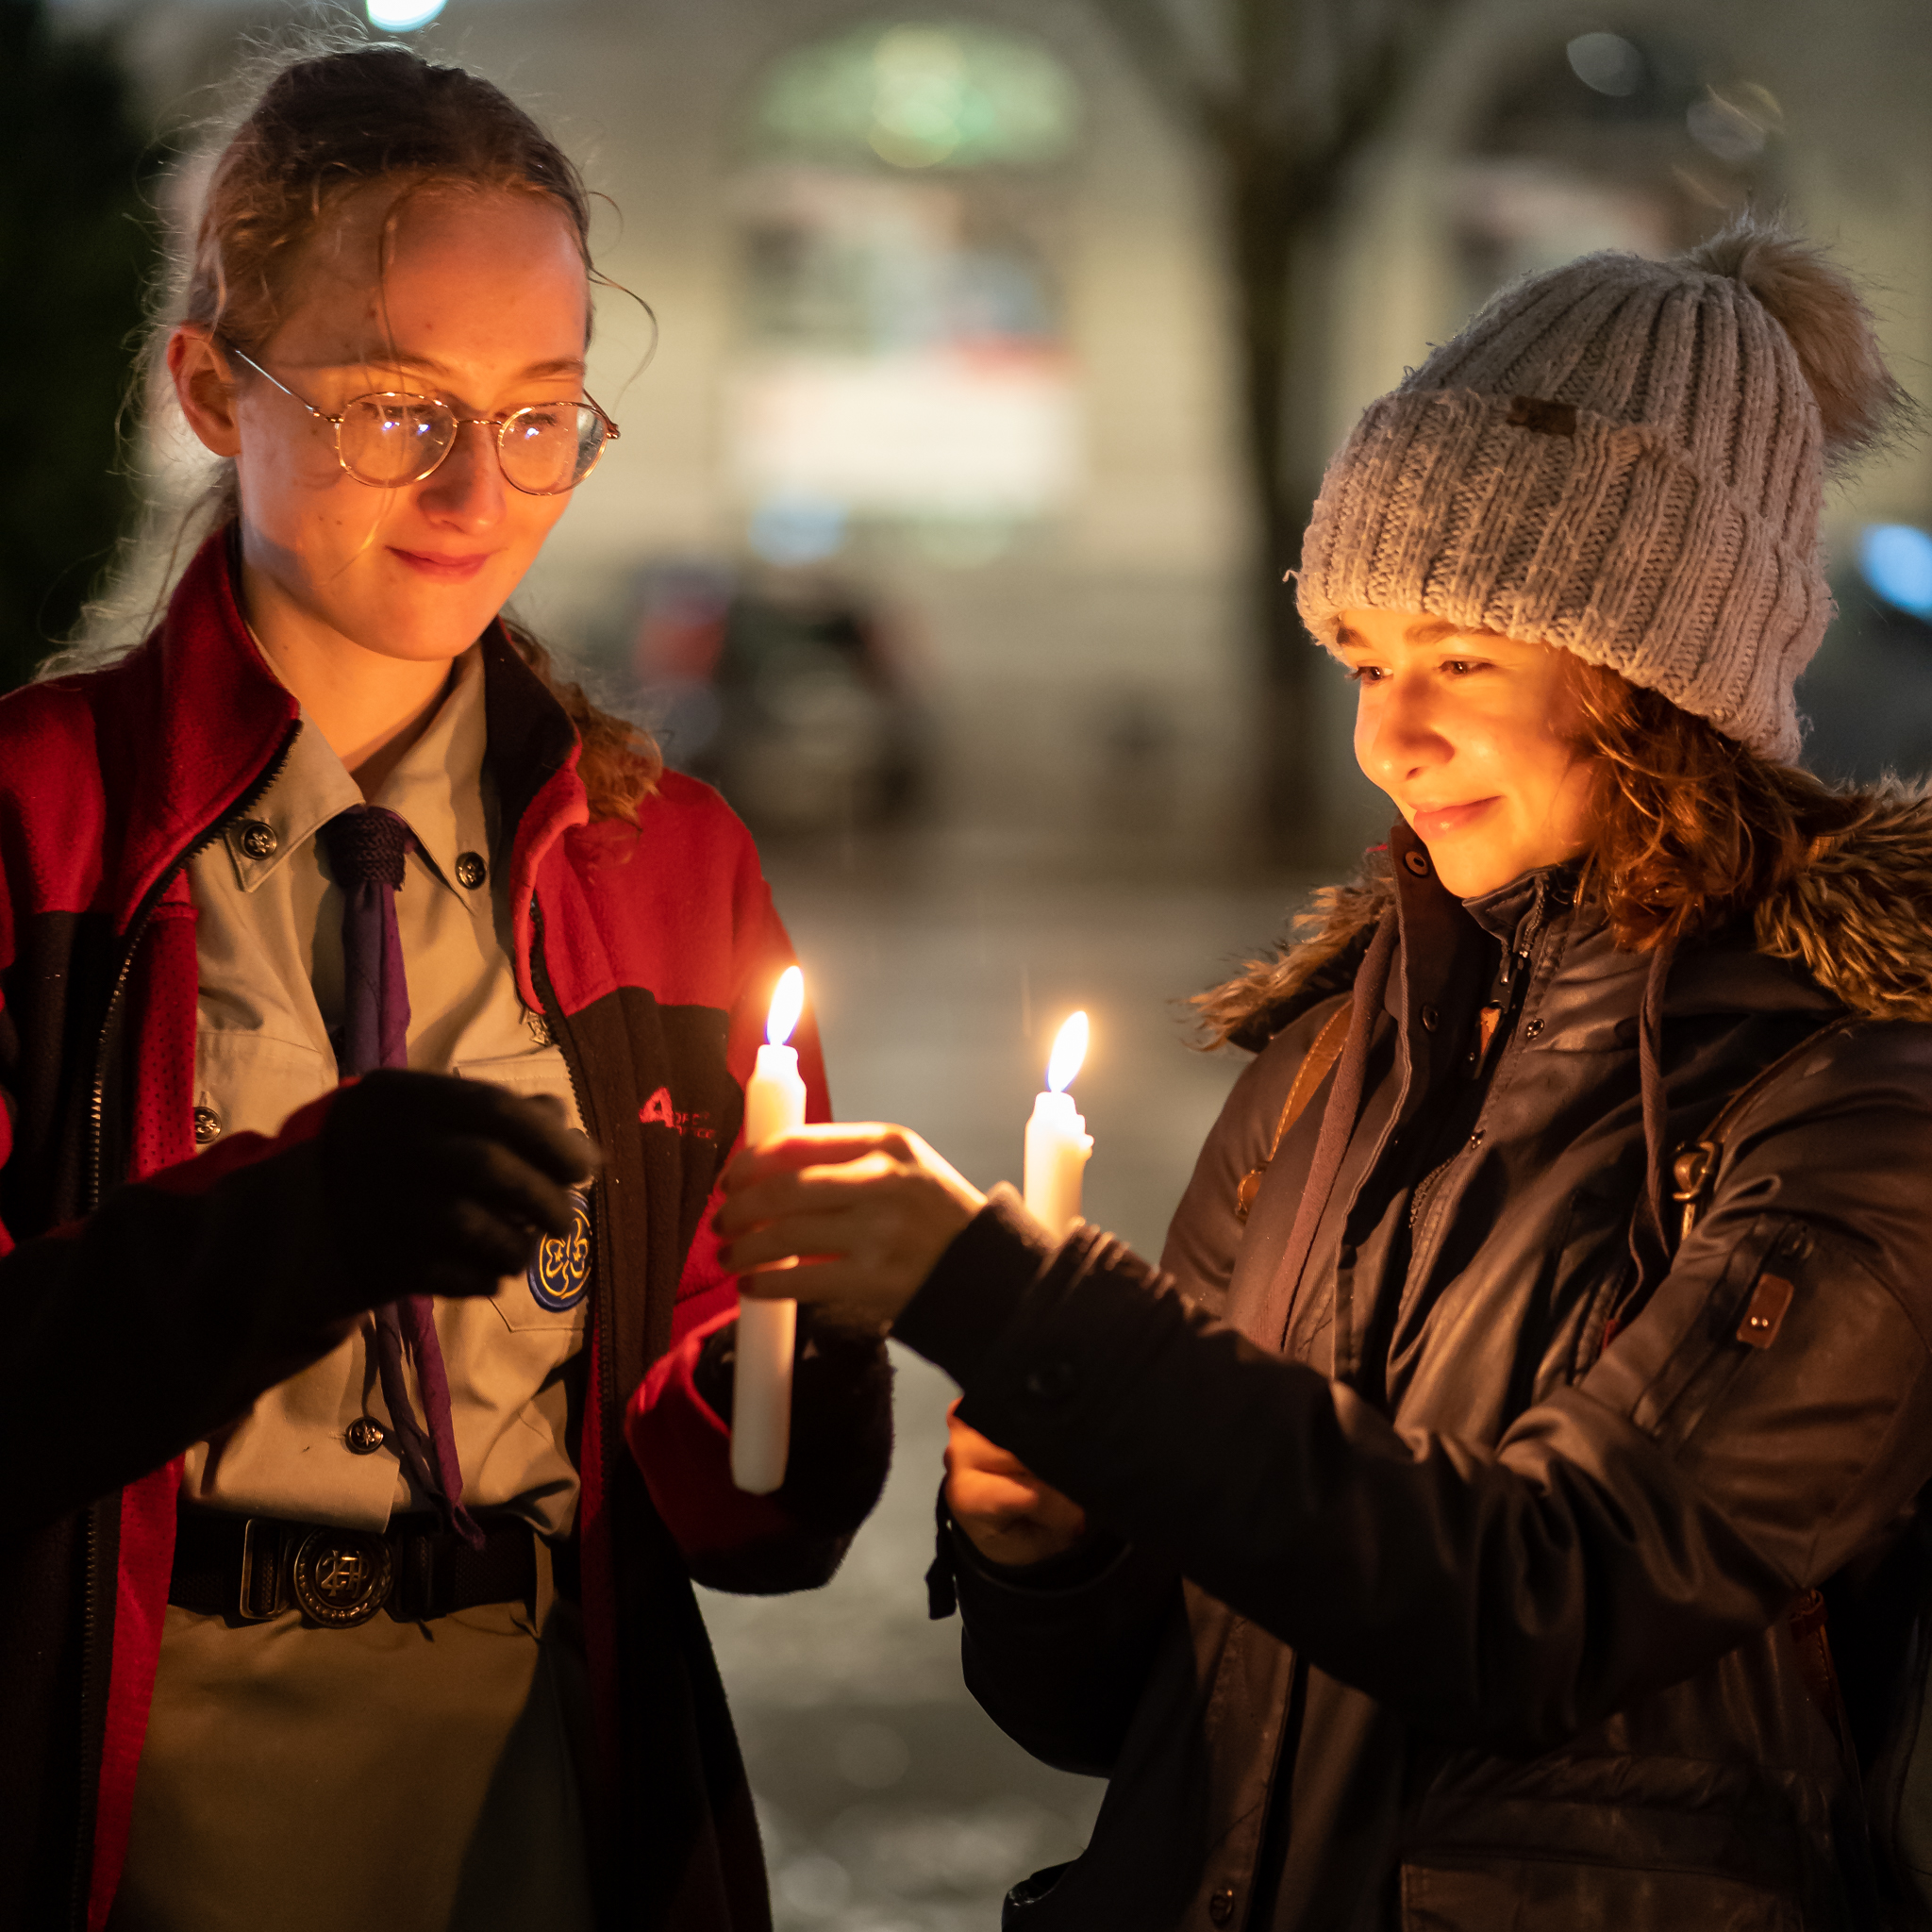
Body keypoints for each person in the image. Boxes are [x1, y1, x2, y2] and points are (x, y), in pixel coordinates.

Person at [717, 216, 1932, 1927]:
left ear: (1662, 672)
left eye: (1463, 661)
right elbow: (1119, 1709)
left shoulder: (1855, 1101)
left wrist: (1018, 1306)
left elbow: (1545, 1604)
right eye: (1365, 659)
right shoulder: (1332, 1059)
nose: (1390, 732)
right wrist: (1048, 1541)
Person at [0, 42, 891, 1932]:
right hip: (117, 1784)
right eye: (401, 406)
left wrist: (812, 1372)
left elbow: (736, 1496)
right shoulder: (42, 826)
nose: (479, 489)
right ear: (209, 386)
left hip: (538, 1794)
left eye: (543, 413)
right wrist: (292, 1225)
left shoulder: (666, 863)